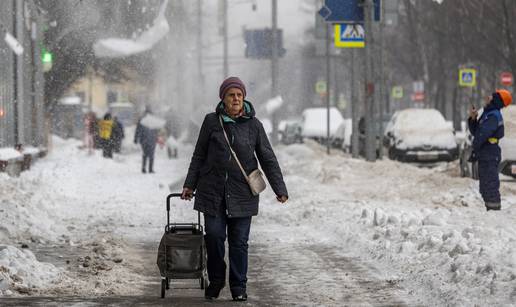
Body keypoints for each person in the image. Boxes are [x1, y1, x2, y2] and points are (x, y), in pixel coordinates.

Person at [181, 77, 288, 301]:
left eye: (239, 95)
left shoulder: (254, 125)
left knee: (239, 243)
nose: (236, 99)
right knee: (214, 237)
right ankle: (217, 280)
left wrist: (280, 188)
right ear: (223, 98)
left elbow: (267, 157)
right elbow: (199, 155)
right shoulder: (211, 122)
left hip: (242, 193)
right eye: (231, 95)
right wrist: (190, 184)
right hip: (213, 192)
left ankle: (239, 287)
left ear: (244, 98)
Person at [468, 89, 512, 211]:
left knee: (490, 184)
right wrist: (473, 119)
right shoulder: (488, 113)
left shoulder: (493, 115)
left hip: (490, 153)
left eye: (491, 96)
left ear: (497, 100)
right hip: (486, 152)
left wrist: (475, 149)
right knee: (485, 185)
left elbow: (482, 135)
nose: (488, 97)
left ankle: (494, 212)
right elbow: (476, 132)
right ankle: (491, 211)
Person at [134, 108, 159, 173]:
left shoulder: (142, 120)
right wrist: (156, 137)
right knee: (151, 155)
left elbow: (138, 130)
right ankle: (150, 169)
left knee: (145, 154)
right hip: (151, 140)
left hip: (144, 140)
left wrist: (136, 138)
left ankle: (144, 168)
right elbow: (156, 130)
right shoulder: (153, 121)